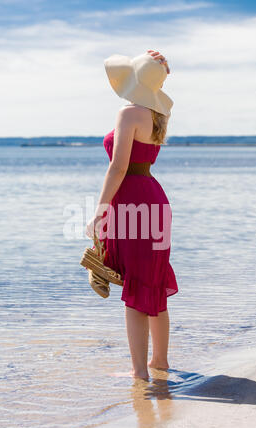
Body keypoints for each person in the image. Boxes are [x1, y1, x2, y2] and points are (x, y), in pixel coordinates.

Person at [86, 50, 178, 380]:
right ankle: (159, 361)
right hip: (154, 199)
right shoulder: (156, 114)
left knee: (136, 287)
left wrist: (99, 212)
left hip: (132, 202)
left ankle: (139, 372)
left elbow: (119, 166)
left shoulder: (128, 113)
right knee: (152, 282)